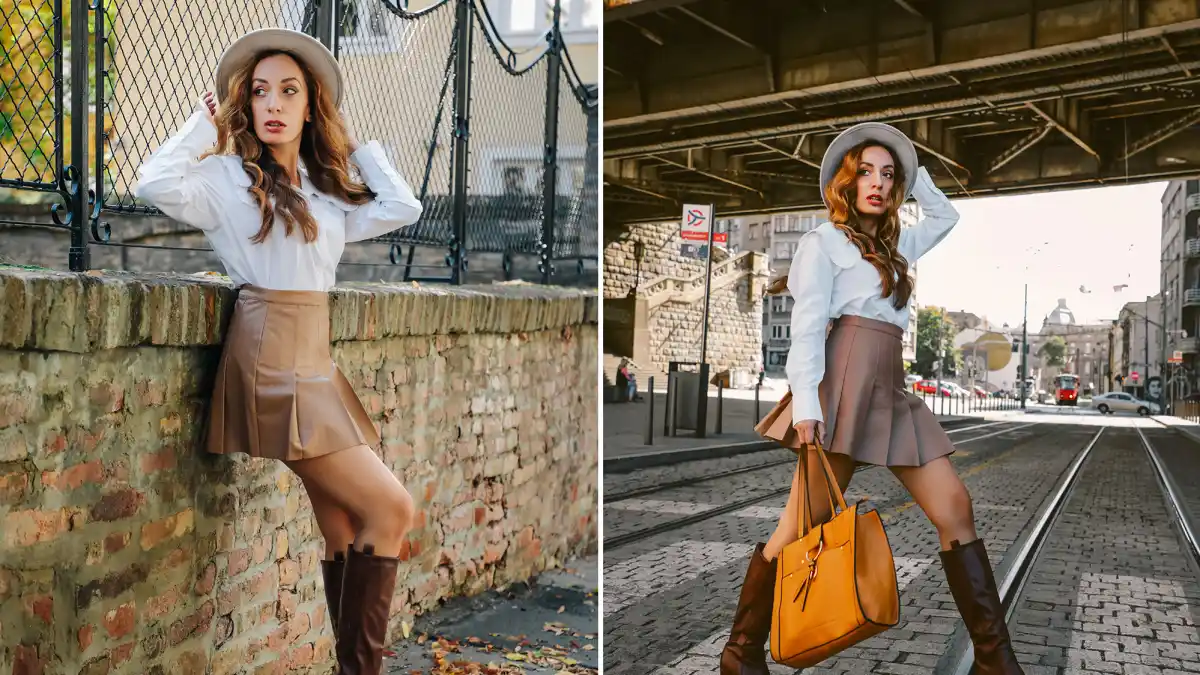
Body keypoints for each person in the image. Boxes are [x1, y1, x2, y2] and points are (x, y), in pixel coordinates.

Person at [133, 28, 422, 675]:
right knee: (392, 508)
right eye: (259, 91)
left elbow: (404, 204)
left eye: (289, 91)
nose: (272, 103)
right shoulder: (226, 181)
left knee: (346, 526)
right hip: (268, 356)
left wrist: (352, 141)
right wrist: (202, 129)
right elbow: (151, 182)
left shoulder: (327, 190)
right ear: (245, 103)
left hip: (314, 357)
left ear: (310, 105)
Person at [720, 122, 1024, 675]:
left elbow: (946, 218)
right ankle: (741, 652)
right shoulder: (823, 243)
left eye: (889, 176)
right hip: (840, 387)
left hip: (890, 387)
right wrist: (808, 408)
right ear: (847, 181)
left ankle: (993, 661)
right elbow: (809, 328)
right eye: (867, 172)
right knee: (797, 531)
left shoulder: (897, 244)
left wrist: (917, 173)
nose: (878, 184)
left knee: (955, 507)